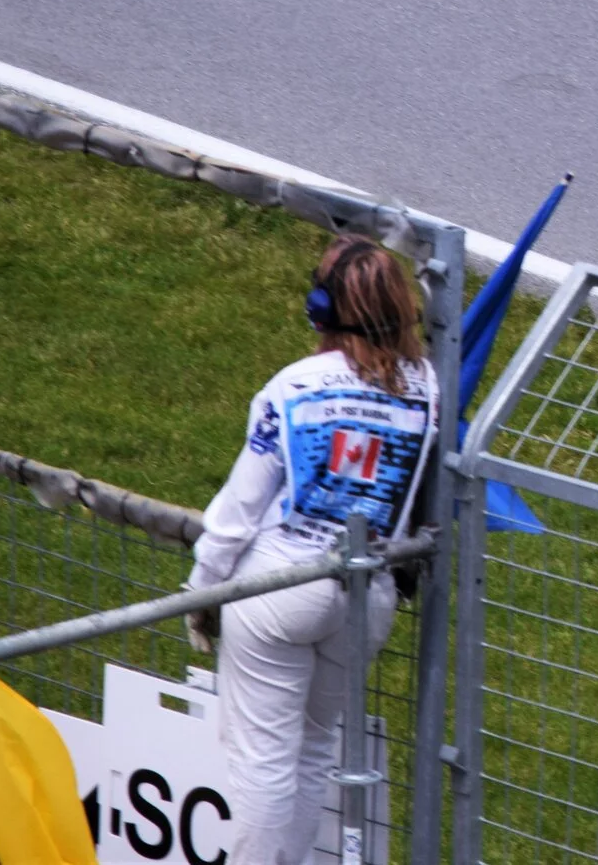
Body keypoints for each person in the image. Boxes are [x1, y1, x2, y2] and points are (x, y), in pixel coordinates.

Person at [185, 235, 438, 865]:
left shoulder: (292, 387)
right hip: (365, 596)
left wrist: (203, 591)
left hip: (278, 587)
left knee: (262, 761)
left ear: (320, 309)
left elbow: (238, 512)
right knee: (314, 750)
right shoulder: (431, 388)